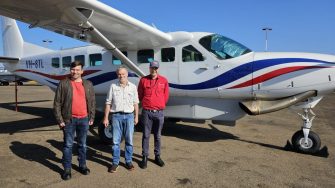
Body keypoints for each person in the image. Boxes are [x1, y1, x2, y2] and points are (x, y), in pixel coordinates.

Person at [53, 61, 95, 180]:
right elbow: (57, 103)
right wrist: (60, 120)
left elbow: (92, 102)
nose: (75, 72)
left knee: (83, 145)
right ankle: (67, 169)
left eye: (77, 70)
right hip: (68, 120)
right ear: (70, 70)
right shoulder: (63, 83)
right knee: (68, 145)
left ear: (82, 71)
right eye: (73, 69)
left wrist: (91, 117)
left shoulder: (88, 84)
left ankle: (82, 165)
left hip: (84, 119)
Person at [103, 66, 139, 173]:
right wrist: (105, 118)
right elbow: (108, 103)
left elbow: (136, 103)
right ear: (117, 75)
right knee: (115, 142)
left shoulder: (132, 87)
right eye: (119, 74)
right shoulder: (113, 86)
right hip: (116, 116)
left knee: (129, 141)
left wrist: (136, 116)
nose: (121, 76)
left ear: (127, 74)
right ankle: (115, 163)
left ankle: (128, 161)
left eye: (123, 74)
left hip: (129, 116)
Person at [138, 60, 169, 169]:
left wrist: (159, 104)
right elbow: (140, 95)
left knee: (158, 136)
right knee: (146, 135)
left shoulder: (164, 81)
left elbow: (166, 96)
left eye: (155, 68)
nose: (154, 70)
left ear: (158, 69)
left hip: (159, 113)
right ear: (149, 68)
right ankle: (145, 157)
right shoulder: (143, 80)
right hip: (147, 112)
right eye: (152, 68)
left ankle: (157, 156)